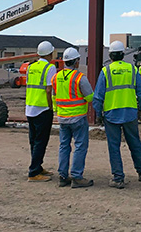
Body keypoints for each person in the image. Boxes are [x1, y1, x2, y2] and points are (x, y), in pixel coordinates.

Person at [93, 40, 141, 189]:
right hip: (130, 112)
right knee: (135, 143)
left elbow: (98, 96)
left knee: (114, 146)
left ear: (110, 55)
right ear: (123, 54)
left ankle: (118, 178)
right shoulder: (132, 69)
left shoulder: (106, 71)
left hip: (112, 114)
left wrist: (98, 113)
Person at [52, 47, 94, 189]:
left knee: (64, 146)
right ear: (76, 61)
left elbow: (53, 97)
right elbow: (89, 97)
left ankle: (63, 176)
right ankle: (76, 176)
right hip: (78, 118)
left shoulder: (56, 77)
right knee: (80, 147)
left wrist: (57, 111)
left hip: (62, 118)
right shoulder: (79, 77)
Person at [26, 41, 57, 182]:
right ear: (50, 53)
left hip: (30, 107)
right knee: (41, 141)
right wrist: (51, 107)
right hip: (42, 108)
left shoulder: (30, 67)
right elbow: (49, 89)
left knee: (34, 140)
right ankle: (33, 172)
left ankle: (37, 167)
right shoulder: (50, 68)